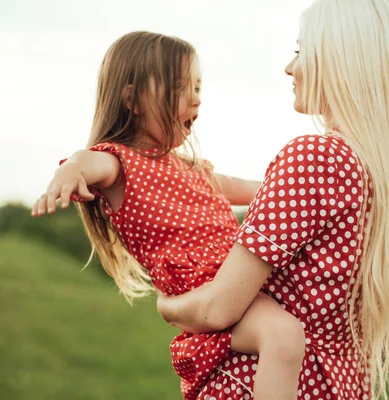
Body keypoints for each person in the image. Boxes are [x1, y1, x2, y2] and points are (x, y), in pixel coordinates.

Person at [156, 0, 389, 399]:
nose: (289, 67)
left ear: (340, 58)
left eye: (300, 50)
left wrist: (169, 304)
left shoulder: (316, 157)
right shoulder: (381, 170)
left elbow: (218, 308)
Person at [30, 31, 305, 400]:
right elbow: (86, 160)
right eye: (181, 87)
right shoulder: (120, 164)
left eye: (197, 86)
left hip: (237, 284)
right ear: (133, 100)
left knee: (295, 329)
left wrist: (296, 182)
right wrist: (68, 172)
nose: (196, 96)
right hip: (210, 295)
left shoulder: (189, 169)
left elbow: (252, 188)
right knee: (283, 336)